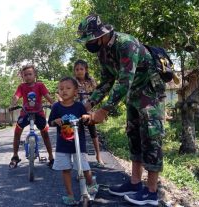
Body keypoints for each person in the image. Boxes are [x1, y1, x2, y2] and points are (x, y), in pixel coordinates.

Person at [76, 14, 165, 206]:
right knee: (134, 136)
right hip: (133, 95)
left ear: (100, 35)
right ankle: (135, 184)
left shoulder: (127, 44)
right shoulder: (102, 51)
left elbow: (125, 79)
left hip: (149, 94)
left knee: (151, 138)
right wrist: (89, 103)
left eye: (88, 39)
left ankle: (151, 193)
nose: (87, 44)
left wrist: (105, 110)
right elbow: (107, 81)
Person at [48, 77, 98, 206]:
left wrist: (86, 117)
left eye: (68, 88)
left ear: (75, 92)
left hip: (78, 144)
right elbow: (50, 122)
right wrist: (55, 121)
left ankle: (91, 183)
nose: (64, 91)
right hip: (63, 145)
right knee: (65, 170)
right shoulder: (56, 107)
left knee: (84, 167)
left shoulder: (79, 107)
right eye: (61, 88)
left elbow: (86, 120)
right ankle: (70, 195)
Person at [9, 64, 54, 169]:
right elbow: (16, 96)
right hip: (25, 113)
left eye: (30, 74)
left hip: (39, 113)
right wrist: (13, 104)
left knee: (45, 133)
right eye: (25, 75)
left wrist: (54, 104)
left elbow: (47, 96)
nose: (28, 76)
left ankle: (51, 157)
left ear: (35, 75)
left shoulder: (40, 86)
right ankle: (15, 156)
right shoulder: (21, 86)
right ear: (23, 76)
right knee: (17, 132)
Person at [73, 59, 104, 166]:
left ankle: (98, 155)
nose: (79, 71)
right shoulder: (72, 81)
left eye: (81, 69)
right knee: (76, 132)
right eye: (77, 69)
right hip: (76, 109)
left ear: (86, 70)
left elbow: (98, 93)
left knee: (93, 132)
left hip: (89, 109)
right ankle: (78, 157)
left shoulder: (91, 81)